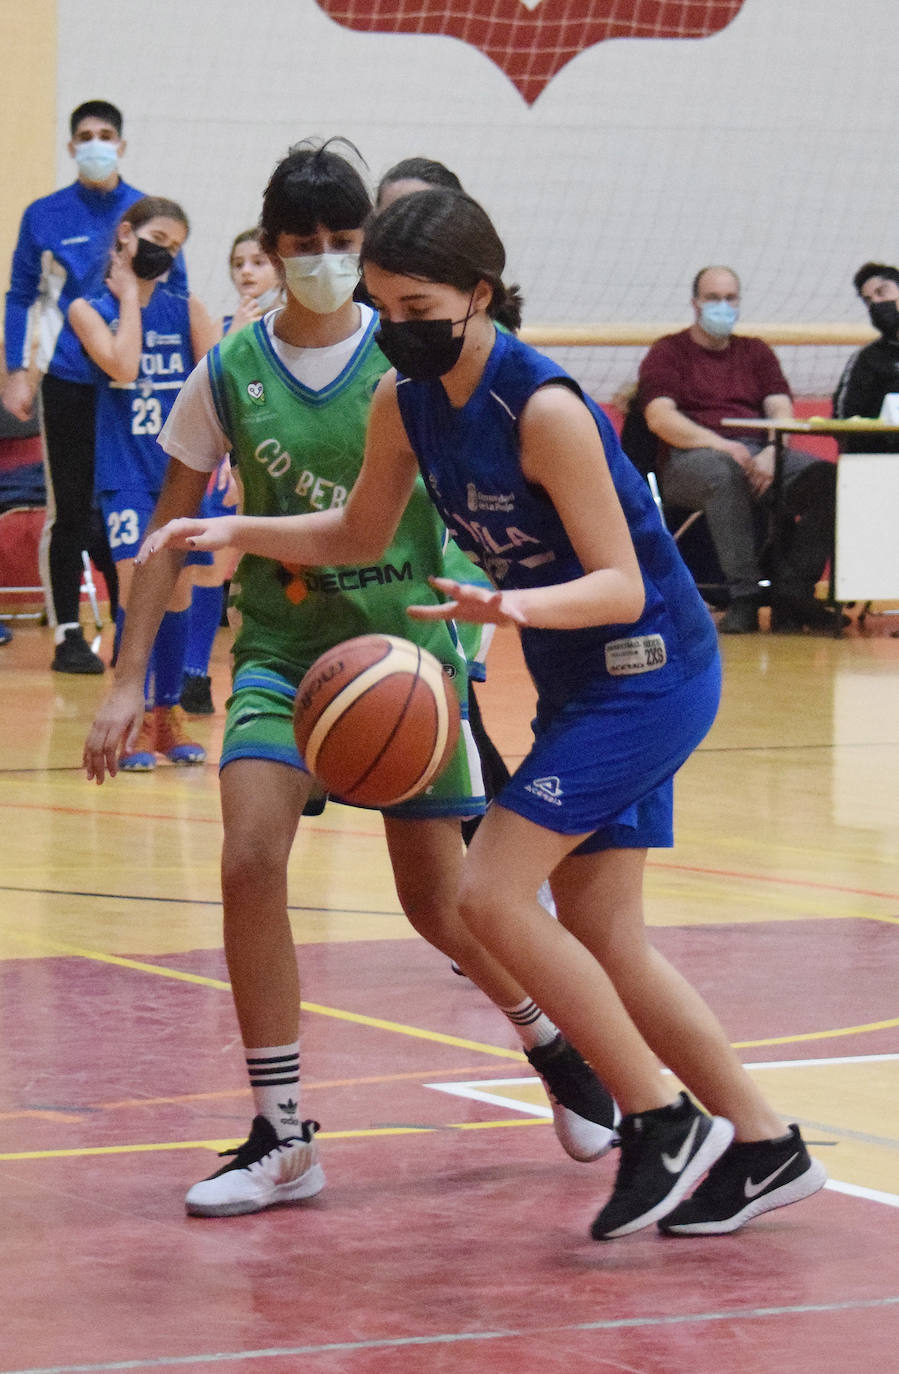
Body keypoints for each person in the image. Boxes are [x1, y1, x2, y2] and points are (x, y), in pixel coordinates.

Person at [141, 187, 828, 1241]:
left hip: (648, 671)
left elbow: (622, 587)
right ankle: (766, 1143)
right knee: (602, 929)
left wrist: (501, 603)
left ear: (480, 294)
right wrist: (226, 529)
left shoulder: (544, 410)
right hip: (580, 680)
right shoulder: (403, 400)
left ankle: (654, 1117)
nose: (395, 326)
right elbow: (355, 528)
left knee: (487, 895)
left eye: (416, 305)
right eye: (383, 304)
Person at [82, 143, 618, 1218]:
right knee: (246, 857)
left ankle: (555, 1047)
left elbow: (484, 503)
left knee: (439, 905)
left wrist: (480, 629)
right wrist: (128, 677)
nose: (325, 261)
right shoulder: (228, 369)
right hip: (283, 654)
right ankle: (281, 1134)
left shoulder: (414, 353)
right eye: (304, 246)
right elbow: (170, 535)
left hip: (404, 650)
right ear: (270, 253)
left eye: (343, 244)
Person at [2, 100, 187, 673]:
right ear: (70, 147)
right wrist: (15, 370)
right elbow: (21, 296)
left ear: (122, 146)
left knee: (126, 505)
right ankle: (67, 636)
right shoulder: (43, 215)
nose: (95, 143)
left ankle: (135, 626)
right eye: (85, 135)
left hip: (133, 387)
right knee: (72, 510)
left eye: (106, 135)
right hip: (71, 381)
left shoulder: (148, 216)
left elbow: (175, 296)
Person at [69, 197, 216, 768]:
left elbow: (215, 392)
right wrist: (130, 295)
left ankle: (166, 716)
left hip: (178, 471)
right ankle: (125, 711)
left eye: (175, 247)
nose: (165, 252)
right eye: (157, 237)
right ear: (126, 235)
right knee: (136, 586)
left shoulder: (190, 309)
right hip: (124, 470)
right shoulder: (89, 308)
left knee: (176, 590)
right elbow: (125, 367)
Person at [637, 266, 837, 634]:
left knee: (826, 478)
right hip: (690, 459)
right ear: (695, 303)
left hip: (759, 452)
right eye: (713, 298)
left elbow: (779, 407)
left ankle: (793, 591)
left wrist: (773, 453)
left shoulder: (756, 352)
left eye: (730, 298)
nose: (722, 306)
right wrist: (723, 446)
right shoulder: (668, 352)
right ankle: (743, 596)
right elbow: (659, 417)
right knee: (723, 473)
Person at [179, 231, 283, 716]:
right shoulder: (224, 329)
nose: (246, 271)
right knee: (216, 565)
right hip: (237, 461)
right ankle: (195, 673)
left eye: (257, 261)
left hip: (290, 462)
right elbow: (220, 396)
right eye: (238, 262)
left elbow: (273, 398)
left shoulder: (292, 330)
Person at [832, 261, 899, 451]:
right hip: (881, 462)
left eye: (881, 292)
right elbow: (843, 422)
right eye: (868, 300)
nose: (876, 304)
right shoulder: (866, 360)